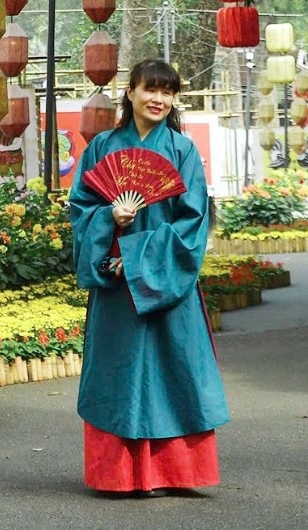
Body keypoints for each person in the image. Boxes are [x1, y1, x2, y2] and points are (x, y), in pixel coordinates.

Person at [69, 59, 230, 497]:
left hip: (165, 285)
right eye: (150, 89)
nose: (159, 99)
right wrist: (108, 217)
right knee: (118, 375)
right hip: (116, 290)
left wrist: (136, 258)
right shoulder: (102, 147)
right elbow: (79, 210)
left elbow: (194, 222)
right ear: (131, 93)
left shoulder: (181, 151)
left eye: (168, 92)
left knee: (172, 371)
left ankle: (173, 473)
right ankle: (117, 475)